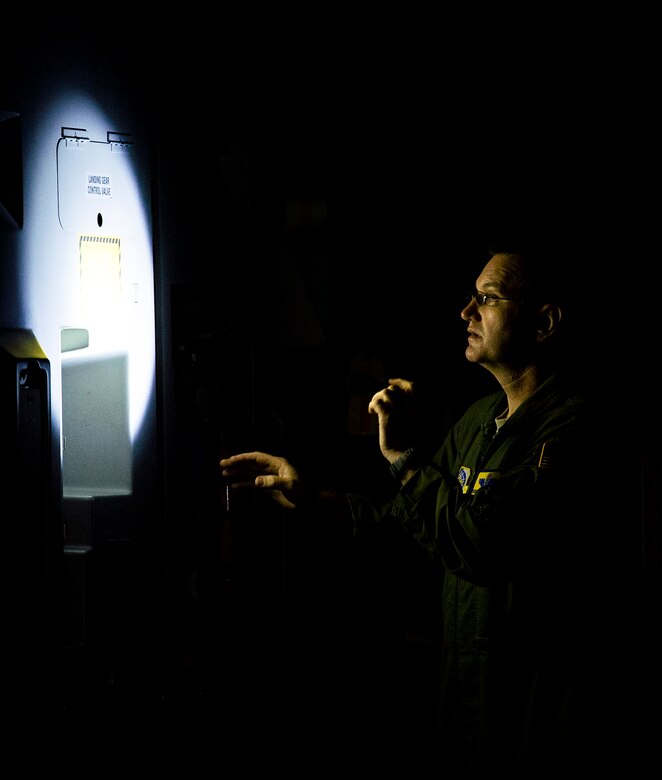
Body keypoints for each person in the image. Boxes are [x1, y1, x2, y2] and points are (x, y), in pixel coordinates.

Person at [220, 241, 638, 777]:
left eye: (487, 297)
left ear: (544, 322)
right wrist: (316, 500)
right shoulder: (479, 420)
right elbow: (410, 526)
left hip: (536, 717)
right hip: (467, 709)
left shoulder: (571, 428)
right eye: (471, 297)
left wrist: (402, 458)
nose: (467, 312)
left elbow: (478, 542)